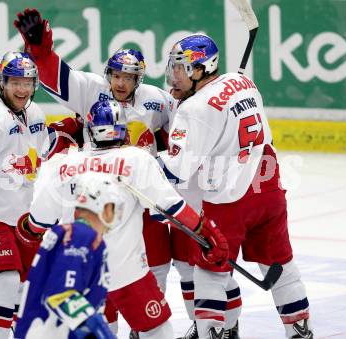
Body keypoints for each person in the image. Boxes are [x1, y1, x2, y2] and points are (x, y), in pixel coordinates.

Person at [13, 8, 177, 335]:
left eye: (129, 78)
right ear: (108, 74)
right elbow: (59, 77)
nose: (121, 82)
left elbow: (181, 132)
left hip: (143, 191)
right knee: (103, 275)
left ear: (138, 80)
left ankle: (141, 327)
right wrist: (41, 52)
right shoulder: (91, 89)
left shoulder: (157, 101)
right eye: (117, 75)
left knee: (153, 269)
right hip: (100, 195)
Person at [22, 99, 229, 339]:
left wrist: (25, 229)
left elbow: (38, 222)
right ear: (123, 129)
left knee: (99, 331)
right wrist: (206, 232)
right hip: (126, 271)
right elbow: (172, 208)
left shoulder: (62, 164)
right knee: (157, 330)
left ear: (90, 131)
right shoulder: (137, 159)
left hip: (78, 270)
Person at [159, 34, 313, 338]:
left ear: (202, 68)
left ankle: (212, 333)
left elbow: (179, 168)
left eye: (181, 68)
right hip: (268, 190)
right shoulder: (245, 83)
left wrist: (138, 162)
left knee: (210, 272)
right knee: (280, 266)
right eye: (174, 67)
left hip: (230, 199)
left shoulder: (194, 110)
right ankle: (300, 331)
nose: (174, 75)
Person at [0, 51, 82, 339]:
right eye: (15, 82)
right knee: (5, 283)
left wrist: (68, 130)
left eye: (27, 82)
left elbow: (42, 149)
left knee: (28, 290)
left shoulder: (33, 113)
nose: (22, 89)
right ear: (2, 83)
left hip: (21, 216)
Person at [14, 172, 117, 339]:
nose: (116, 214)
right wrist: (97, 329)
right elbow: (61, 293)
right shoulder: (80, 237)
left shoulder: (73, 234)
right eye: (113, 206)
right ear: (103, 207)